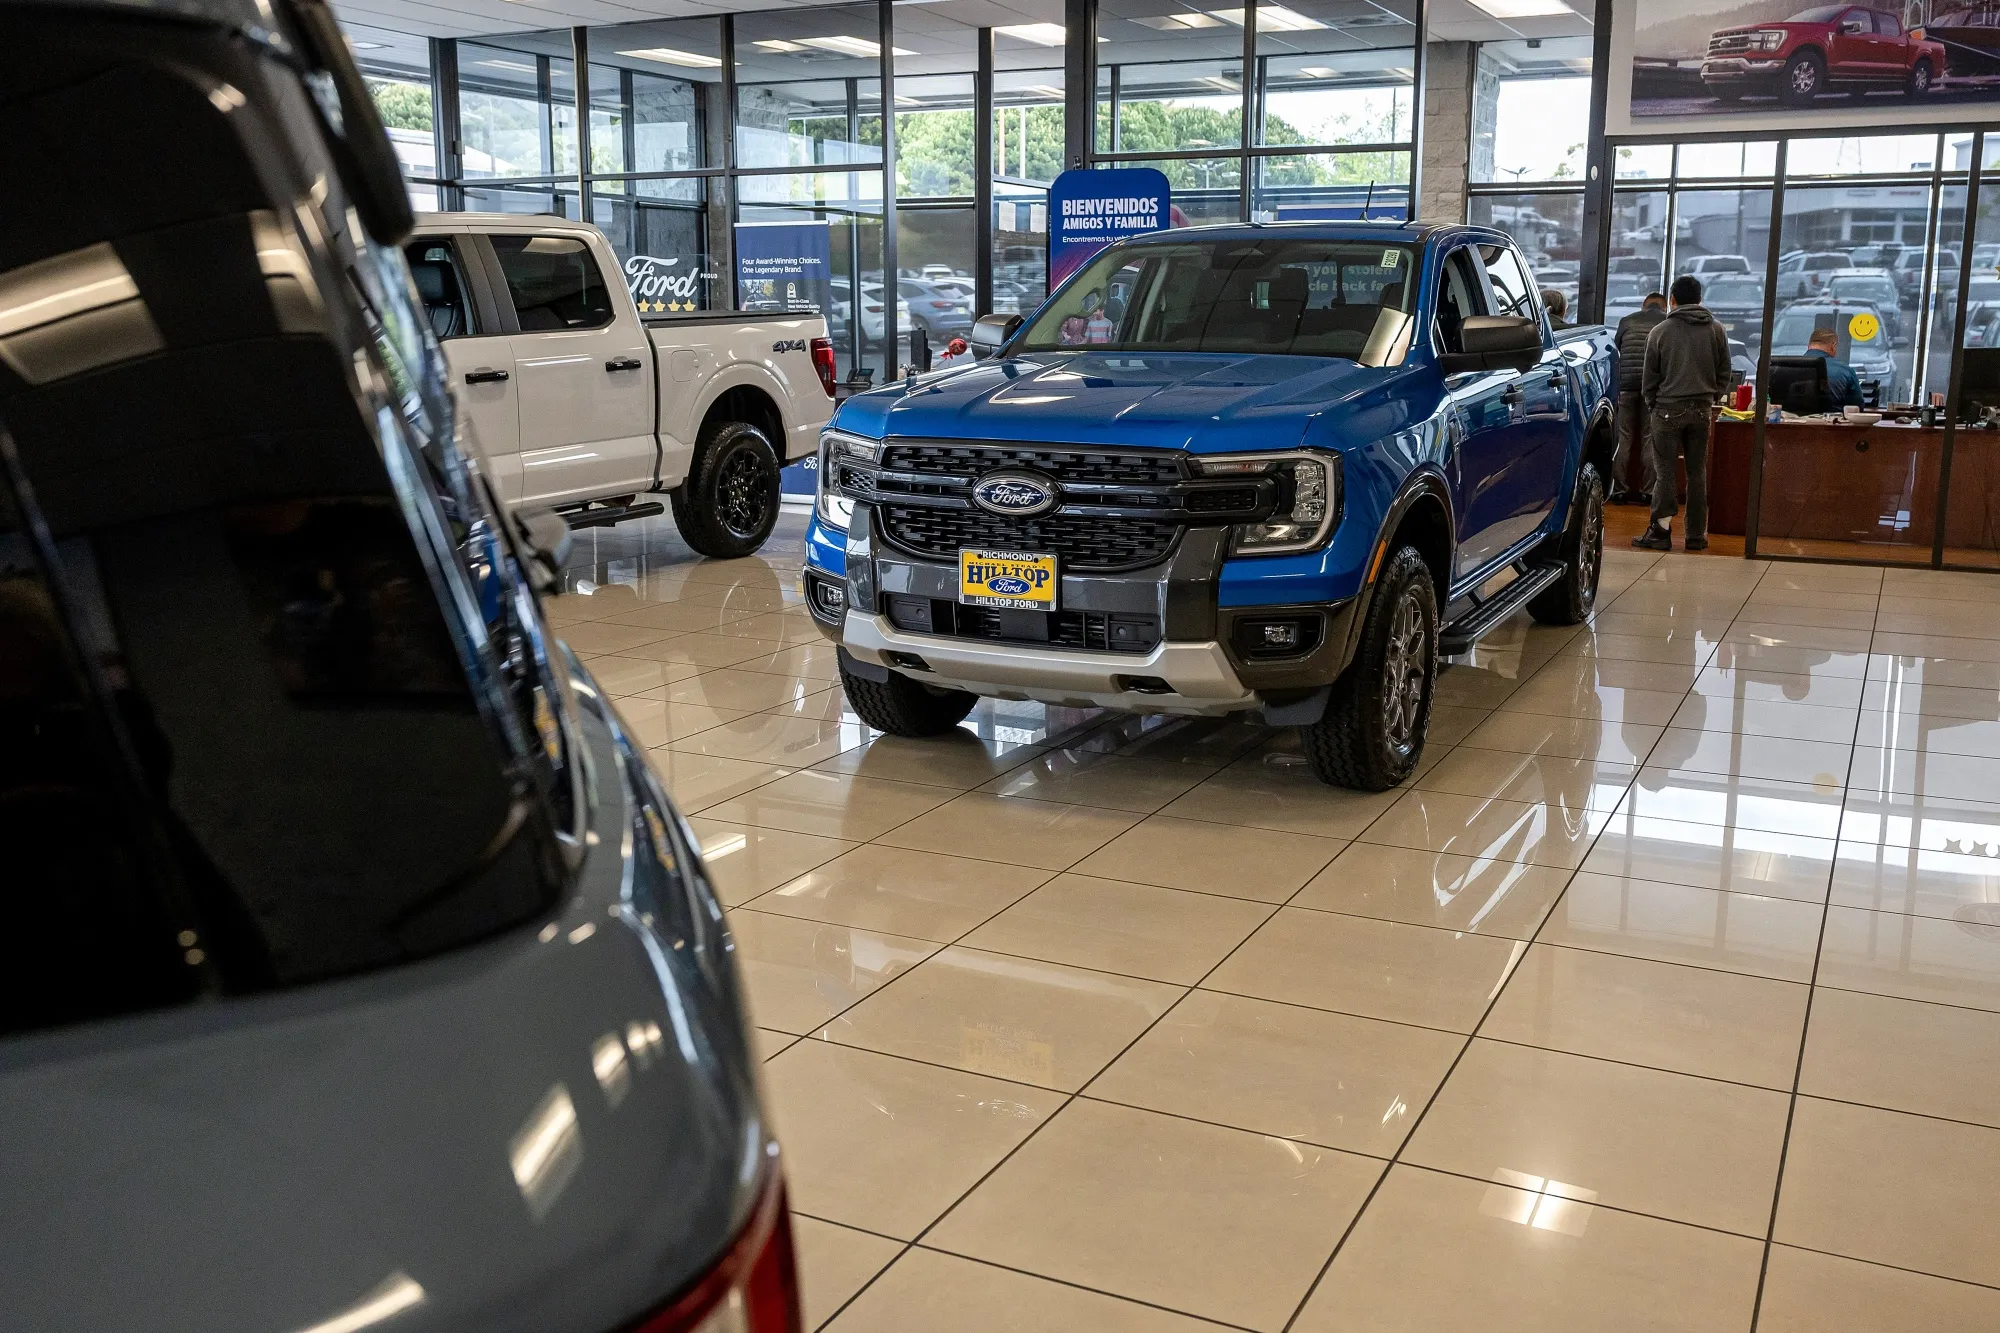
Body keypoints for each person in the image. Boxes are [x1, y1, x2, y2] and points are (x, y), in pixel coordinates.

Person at [1637, 274, 1731, 553]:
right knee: (1697, 473)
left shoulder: (1661, 332)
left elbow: (1649, 378)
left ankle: (1661, 532)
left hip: (1666, 409)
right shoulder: (1716, 329)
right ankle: (1695, 536)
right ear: (1700, 299)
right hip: (1701, 410)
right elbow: (1724, 371)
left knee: (1665, 473)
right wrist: (1711, 396)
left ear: (1673, 301)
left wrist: (1653, 402)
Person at [1612, 292, 1668, 504]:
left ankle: (1618, 491)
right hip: (1652, 389)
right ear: (1664, 307)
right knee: (1649, 438)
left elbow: (1617, 350)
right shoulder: (1666, 323)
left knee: (1623, 437)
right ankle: (1648, 492)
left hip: (1625, 386)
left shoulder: (1626, 321)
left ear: (1644, 306)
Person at [1805, 326, 1864, 411]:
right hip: (1831, 423)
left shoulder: (1789, 366)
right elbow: (1857, 407)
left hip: (1791, 423)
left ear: (1809, 345)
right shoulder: (1845, 371)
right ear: (1834, 346)